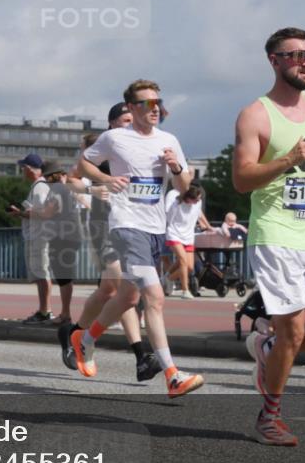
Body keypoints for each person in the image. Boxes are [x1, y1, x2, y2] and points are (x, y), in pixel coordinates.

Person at [233, 27, 305, 445]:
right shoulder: (256, 115)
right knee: (295, 331)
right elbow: (242, 180)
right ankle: (270, 416)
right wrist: (285, 160)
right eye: (296, 55)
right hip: (275, 235)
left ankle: (266, 349)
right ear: (274, 61)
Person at [74, 79, 205, 398]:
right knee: (155, 297)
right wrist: (106, 179)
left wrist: (176, 168)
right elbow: (82, 165)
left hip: (155, 227)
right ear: (132, 108)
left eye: (157, 102)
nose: (155, 108)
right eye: (147, 103)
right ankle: (172, 375)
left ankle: (85, 339)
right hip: (125, 225)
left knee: (128, 298)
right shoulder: (115, 138)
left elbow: (184, 187)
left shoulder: (169, 139)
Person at [64, 107, 161, 382]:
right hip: (103, 223)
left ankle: (82, 334)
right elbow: (71, 179)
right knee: (117, 285)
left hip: (132, 224)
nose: (133, 124)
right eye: (127, 120)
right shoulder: (106, 144)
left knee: (116, 289)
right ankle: (136, 353)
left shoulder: (143, 146)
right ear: (113, 123)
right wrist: (93, 189)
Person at [8, 153, 53, 323]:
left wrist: (21, 213)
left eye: (23, 168)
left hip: (39, 236)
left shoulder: (40, 186)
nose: (22, 171)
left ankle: (45, 311)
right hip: (38, 235)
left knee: (42, 273)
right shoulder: (40, 185)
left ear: (29, 169)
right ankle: (44, 310)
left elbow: (44, 213)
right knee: (40, 273)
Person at [39, 160, 82, 324]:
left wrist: (28, 213)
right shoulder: (69, 188)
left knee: (63, 276)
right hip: (73, 235)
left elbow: (48, 213)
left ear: (50, 177)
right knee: (66, 275)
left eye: (46, 178)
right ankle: (65, 312)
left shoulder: (57, 190)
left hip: (62, 236)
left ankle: (65, 314)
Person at [164, 184, 212, 299]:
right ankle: (185, 291)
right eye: (195, 200)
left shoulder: (197, 202)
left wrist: (207, 226)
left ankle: (168, 278)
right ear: (188, 198)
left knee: (189, 267)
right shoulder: (176, 204)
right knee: (183, 260)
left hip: (188, 236)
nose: (197, 202)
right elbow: (169, 219)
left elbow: (199, 214)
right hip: (174, 234)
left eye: (199, 199)